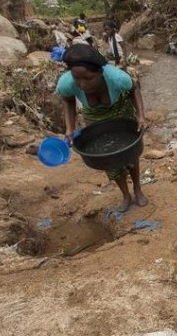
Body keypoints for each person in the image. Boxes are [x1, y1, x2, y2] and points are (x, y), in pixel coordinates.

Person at [55, 44, 148, 212]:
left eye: (88, 78)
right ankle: (125, 195)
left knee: (129, 152)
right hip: (93, 115)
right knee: (106, 157)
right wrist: (69, 128)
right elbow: (68, 100)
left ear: (100, 71)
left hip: (120, 109)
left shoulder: (117, 78)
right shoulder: (66, 83)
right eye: (77, 79)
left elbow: (134, 89)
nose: (82, 84)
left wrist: (140, 116)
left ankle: (137, 188)